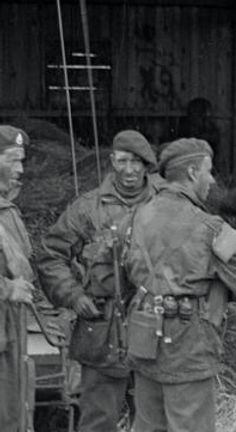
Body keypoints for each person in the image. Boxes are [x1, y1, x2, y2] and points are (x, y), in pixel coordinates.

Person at [123, 138, 236, 432]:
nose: (211, 180)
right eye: (208, 171)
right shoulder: (211, 227)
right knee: (190, 424)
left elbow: (126, 270)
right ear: (193, 173)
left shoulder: (137, 215)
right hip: (188, 341)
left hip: (144, 332)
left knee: (147, 424)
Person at [37, 130, 161, 432]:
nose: (129, 170)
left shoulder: (166, 204)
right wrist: (74, 295)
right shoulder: (87, 207)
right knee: (98, 419)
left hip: (155, 323)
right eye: (122, 161)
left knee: (154, 418)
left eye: (137, 162)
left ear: (147, 166)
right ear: (111, 161)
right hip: (102, 326)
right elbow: (50, 255)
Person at [0, 126, 37, 431]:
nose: (20, 169)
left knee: (14, 413)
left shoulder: (8, 211)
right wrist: (6, 287)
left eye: (21, 161)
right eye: (12, 160)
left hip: (9, 331)